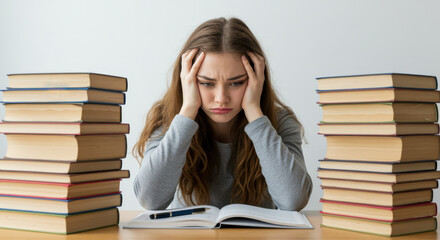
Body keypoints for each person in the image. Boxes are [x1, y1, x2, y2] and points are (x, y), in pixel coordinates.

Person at [133, 17, 312, 211]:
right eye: (207, 83)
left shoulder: (280, 122)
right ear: (187, 80)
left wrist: (254, 111)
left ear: (256, 80)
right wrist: (187, 112)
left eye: (236, 83)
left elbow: (293, 200)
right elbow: (150, 199)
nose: (221, 98)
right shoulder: (167, 118)